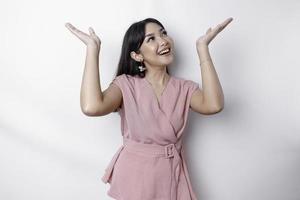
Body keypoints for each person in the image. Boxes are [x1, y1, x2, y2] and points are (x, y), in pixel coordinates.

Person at [65, 17, 233, 200]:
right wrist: (92, 50)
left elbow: (214, 105)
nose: (163, 41)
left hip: (170, 176)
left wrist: (203, 49)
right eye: (151, 39)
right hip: (135, 177)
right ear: (137, 55)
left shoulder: (185, 88)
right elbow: (92, 107)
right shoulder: (125, 85)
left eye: (163, 33)